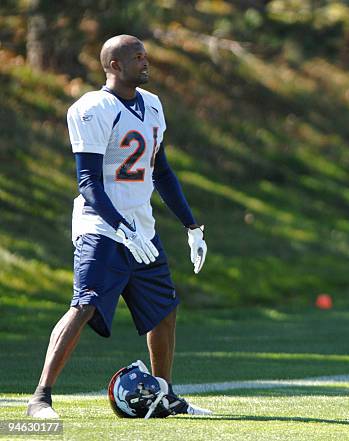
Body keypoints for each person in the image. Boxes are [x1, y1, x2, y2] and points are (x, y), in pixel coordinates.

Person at [26, 34, 211, 419]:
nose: (146, 62)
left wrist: (192, 226)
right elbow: (88, 182)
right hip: (101, 226)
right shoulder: (92, 108)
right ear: (114, 65)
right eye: (137, 57)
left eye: (145, 55)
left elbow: (161, 171)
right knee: (85, 304)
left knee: (164, 309)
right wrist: (119, 226)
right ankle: (40, 397)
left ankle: (164, 394)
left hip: (141, 227)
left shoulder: (154, 105)